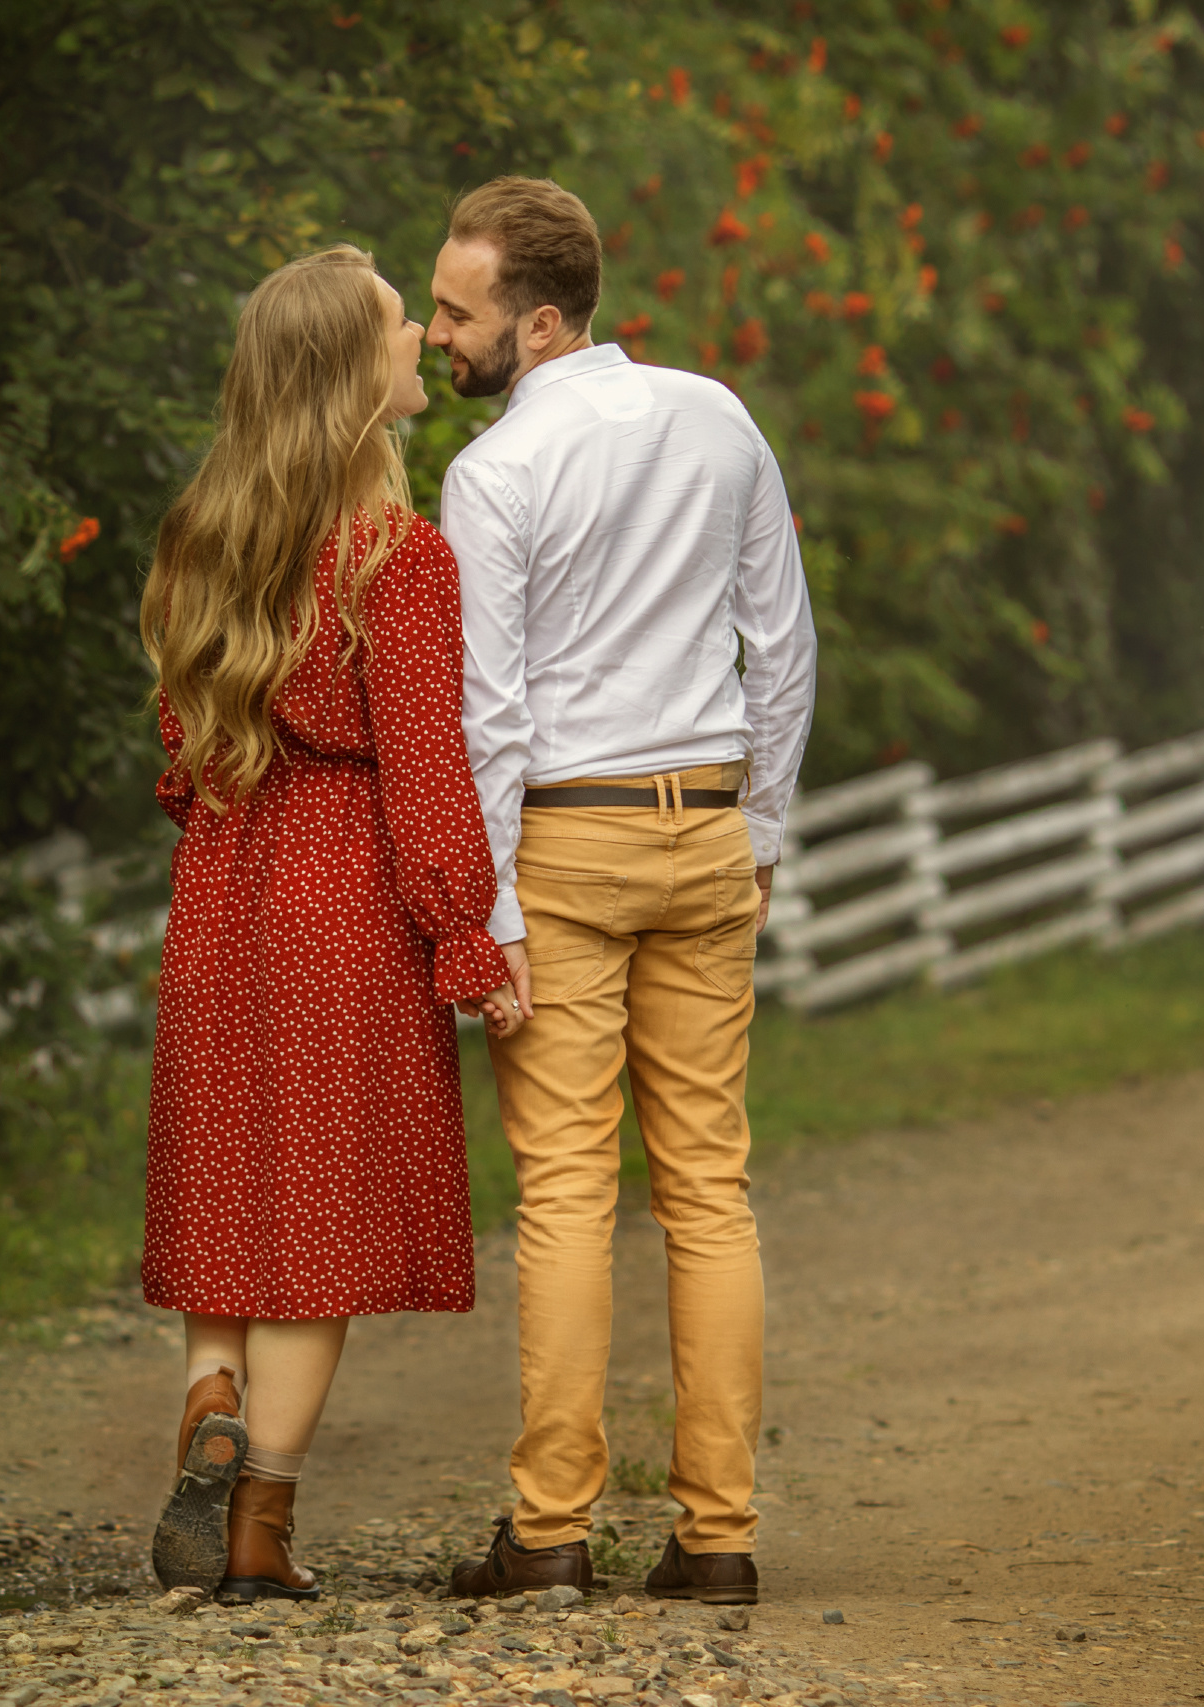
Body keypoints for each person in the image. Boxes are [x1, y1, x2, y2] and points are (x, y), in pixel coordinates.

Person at [430, 178, 819, 1607]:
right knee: (711, 1188)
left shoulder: (494, 478)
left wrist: (493, 917)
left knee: (570, 1194)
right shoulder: (717, 416)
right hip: (707, 826)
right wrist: (760, 829)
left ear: (539, 320)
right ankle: (719, 1539)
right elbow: (782, 644)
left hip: (568, 847)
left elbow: (490, 715)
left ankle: (548, 1533)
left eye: (456, 311)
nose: (431, 333)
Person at [139, 244, 526, 1604]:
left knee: (233, 1200)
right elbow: (428, 775)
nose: (423, 337)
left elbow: (183, 770)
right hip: (345, 898)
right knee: (320, 1228)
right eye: (394, 328)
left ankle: (209, 1406)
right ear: (352, 378)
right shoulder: (397, 561)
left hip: (227, 883)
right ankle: (262, 1528)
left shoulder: (203, 536)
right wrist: (466, 945)